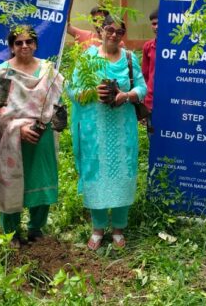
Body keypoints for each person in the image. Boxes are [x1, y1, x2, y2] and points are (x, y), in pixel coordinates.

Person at [0, 26, 64, 248]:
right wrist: (18, 128)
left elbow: (57, 100)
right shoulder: (4, 71)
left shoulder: (48, 69)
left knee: (41, 181)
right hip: (11, 137)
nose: (24, 46)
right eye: (19, 43)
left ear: (35, 44)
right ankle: (12, 233)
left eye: (29, 42)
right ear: (11, 47)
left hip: (41, 134)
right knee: (10, 182)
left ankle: (36, 230)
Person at [68, 14, 146, 250]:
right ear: (100, 31)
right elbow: (72, 89)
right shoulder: (87, 58)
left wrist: (127, 95)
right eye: (109, 30)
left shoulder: (130, 59)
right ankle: (98, 228)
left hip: (123, 131)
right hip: (94, 131)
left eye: (119, 32)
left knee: (123, 175)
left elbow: (142, 87)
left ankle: (119, 229)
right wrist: (92, 93)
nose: (113, 35)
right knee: (96, 175)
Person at [141, 9, 158, 113]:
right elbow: (145, 74)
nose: (156, 27)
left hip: (171, 99)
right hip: (151, 99)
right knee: (151, 129)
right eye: (154, 24)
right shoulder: (148, 46)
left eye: (159, 23)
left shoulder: (176, 48)